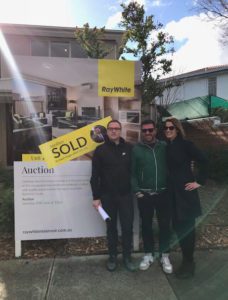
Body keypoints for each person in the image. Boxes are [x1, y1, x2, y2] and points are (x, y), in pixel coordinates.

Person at [164, 117, 208, 279]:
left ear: (177, 129)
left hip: (186, 196)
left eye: (171, 128)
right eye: (166, 128)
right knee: (179, 229)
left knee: (187, 231)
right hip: (172, 196)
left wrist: (199, 182)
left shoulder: (186, 145)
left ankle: (189, 264)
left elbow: (204, 160)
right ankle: (186, 260)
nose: (168, 130)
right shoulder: (167, 146)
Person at [90, 120, 135, 272]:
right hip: (107, 197)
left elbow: (135, 171)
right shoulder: (100, 150)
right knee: (111, 229)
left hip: (126, 196)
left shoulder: (130, 148)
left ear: (120, 130)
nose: (114, 131)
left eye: (116, 128)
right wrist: (96, 197)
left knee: (127, 227)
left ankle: (127, 257)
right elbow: (94, 176)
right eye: (111, 129)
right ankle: (112, 257)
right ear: (107, 131)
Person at [131, 120, 173, 274]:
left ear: (155, 130)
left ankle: (165, 255)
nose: (147, 133)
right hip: (145, 195)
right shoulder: (136, 149)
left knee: (164, 226)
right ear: (141, 132)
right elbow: (132, 173)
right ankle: (148, 255)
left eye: (150, 130)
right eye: (144, 131)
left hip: (163, 193)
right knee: (147, 226)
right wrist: (137, 191)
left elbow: (175, 164)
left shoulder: (164, 147)